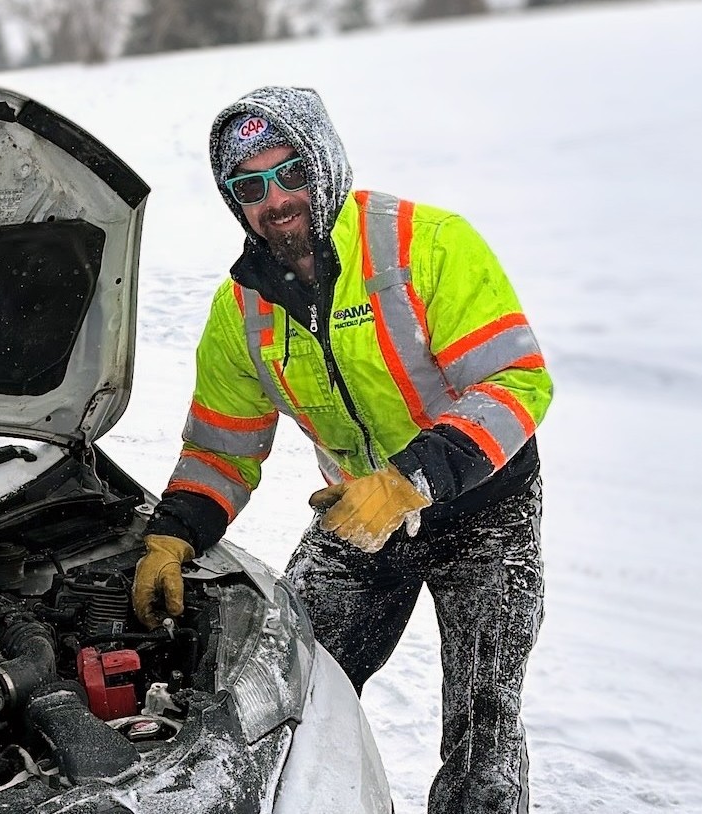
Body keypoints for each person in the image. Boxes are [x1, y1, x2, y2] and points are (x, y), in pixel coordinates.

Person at [130, 86, 553, 813]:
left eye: (290, 173)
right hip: (362, 516)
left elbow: (517, 380)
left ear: (323, 166)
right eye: (251, 187)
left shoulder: (426, 243)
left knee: (484, 735)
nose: (275, 200)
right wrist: (172, 537)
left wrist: (411, 478)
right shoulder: (243, 312)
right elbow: (222, 451)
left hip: (485, 508)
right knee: (281, 673)